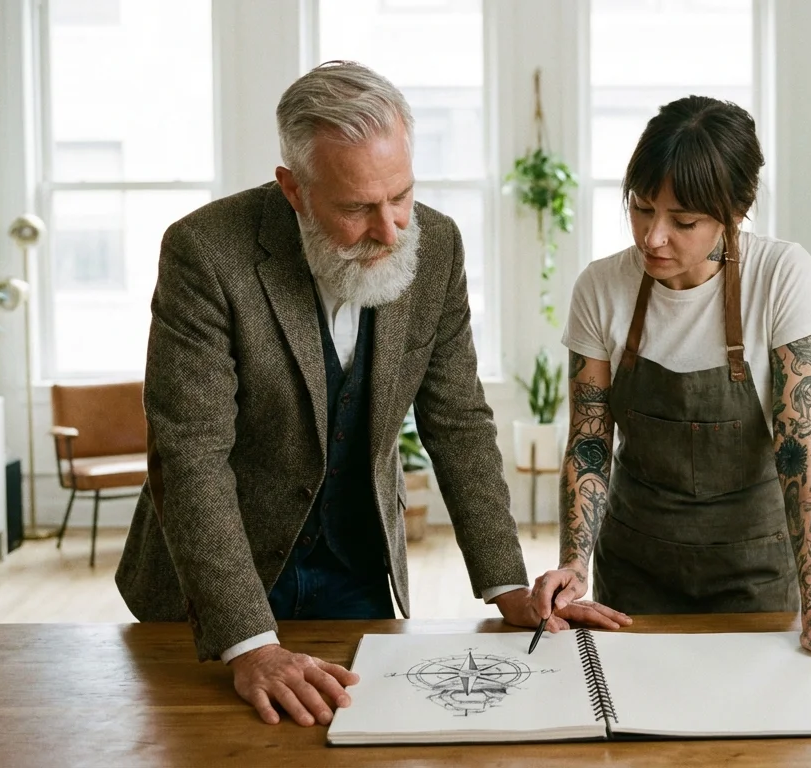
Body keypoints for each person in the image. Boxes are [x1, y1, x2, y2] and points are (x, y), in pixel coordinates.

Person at [116, 61, 561, 728]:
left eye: (401, 196)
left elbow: (458, 420)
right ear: (293, 189)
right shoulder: (204, 252)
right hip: (211, 589)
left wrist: (507, 585)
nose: (390, 229)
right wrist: (250, 643)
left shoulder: (436, 245)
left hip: (356, 565)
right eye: (357, 208)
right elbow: (190, 456)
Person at [528, 96, 811, 676]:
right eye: (641, 208)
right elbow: (590, 443)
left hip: (752, 570)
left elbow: (799, 449)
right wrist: (575, 564)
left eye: (684, 221)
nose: (653, 237)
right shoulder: (602, 286)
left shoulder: (781, 276)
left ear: (736, 211)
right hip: (634, 570)